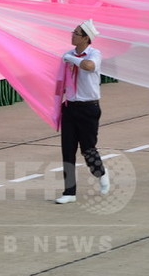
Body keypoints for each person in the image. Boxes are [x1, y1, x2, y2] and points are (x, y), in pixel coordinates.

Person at [55, 20, 109, 204]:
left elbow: (88, 66)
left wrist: (72, 59)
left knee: (88, 149)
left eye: (76, 33)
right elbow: (60, 81)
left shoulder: (95, 54)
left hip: (89, 108)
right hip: (70, 107)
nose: (72, 35)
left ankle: (100, 172)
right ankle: (69, 191)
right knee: (68, 150)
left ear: (86, 38)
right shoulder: (68, 55)